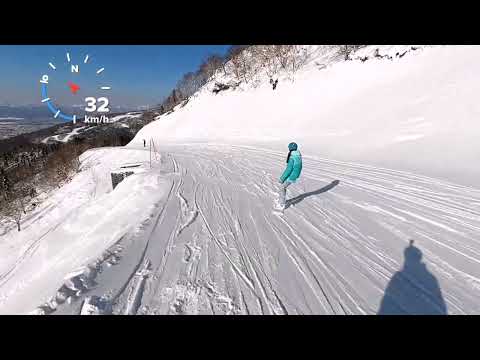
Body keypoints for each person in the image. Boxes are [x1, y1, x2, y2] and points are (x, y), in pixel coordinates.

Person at [277, 142, 302, 210]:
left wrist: (282, 178)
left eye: (289, 148)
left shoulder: (292, 157)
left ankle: (281, 204)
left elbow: (289, 169)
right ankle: (281, 200)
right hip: (294, 174)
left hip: (292, 175)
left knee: (282, 187)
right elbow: (299, 167)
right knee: (283, 187)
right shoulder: (298, 155)